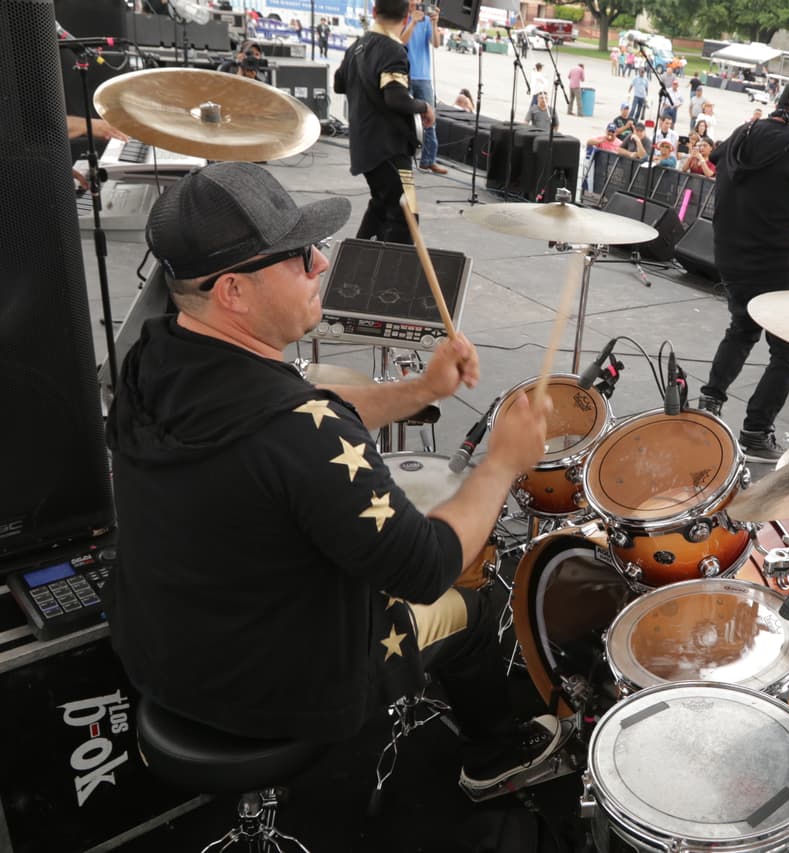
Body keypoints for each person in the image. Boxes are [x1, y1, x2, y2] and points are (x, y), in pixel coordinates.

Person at [105, 162, 566, 796]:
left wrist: (423, 390)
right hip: (276, 690)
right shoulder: (298, 434)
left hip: (163, 652)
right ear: (233, 291)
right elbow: (426, 564)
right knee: (472, 601)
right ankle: (492, 757)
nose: (321, 263)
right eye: (297, 255)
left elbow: (302, 393)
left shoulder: (151, 362)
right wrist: (502, 463)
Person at [697, 81, 789, 462]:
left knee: (742, 327)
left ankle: (710, 401)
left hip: (728, 253)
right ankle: (756, 433)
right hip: (774, 263)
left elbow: (716, 162)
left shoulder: (743, 133)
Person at [334, 0, 435, 244]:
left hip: (365, 147)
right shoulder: (393, 50)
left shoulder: (357, 47)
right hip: (389, 148)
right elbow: (396, 98)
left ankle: (354, 264)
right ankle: (392, 277)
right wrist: (424, 107)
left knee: (381, 206)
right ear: (406, 17)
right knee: (405, 216)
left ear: (374, 12)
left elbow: (339, 83)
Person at [401, 2, 445, 176]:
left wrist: (434, 23)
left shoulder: (426, 19)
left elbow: (436, 43)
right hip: (405, 75)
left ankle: (428, 160)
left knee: (429, 120)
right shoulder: (402, 17)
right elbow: (400, 41)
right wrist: (412, 22)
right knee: (404, 119)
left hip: (424, 76)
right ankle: (402, 158)